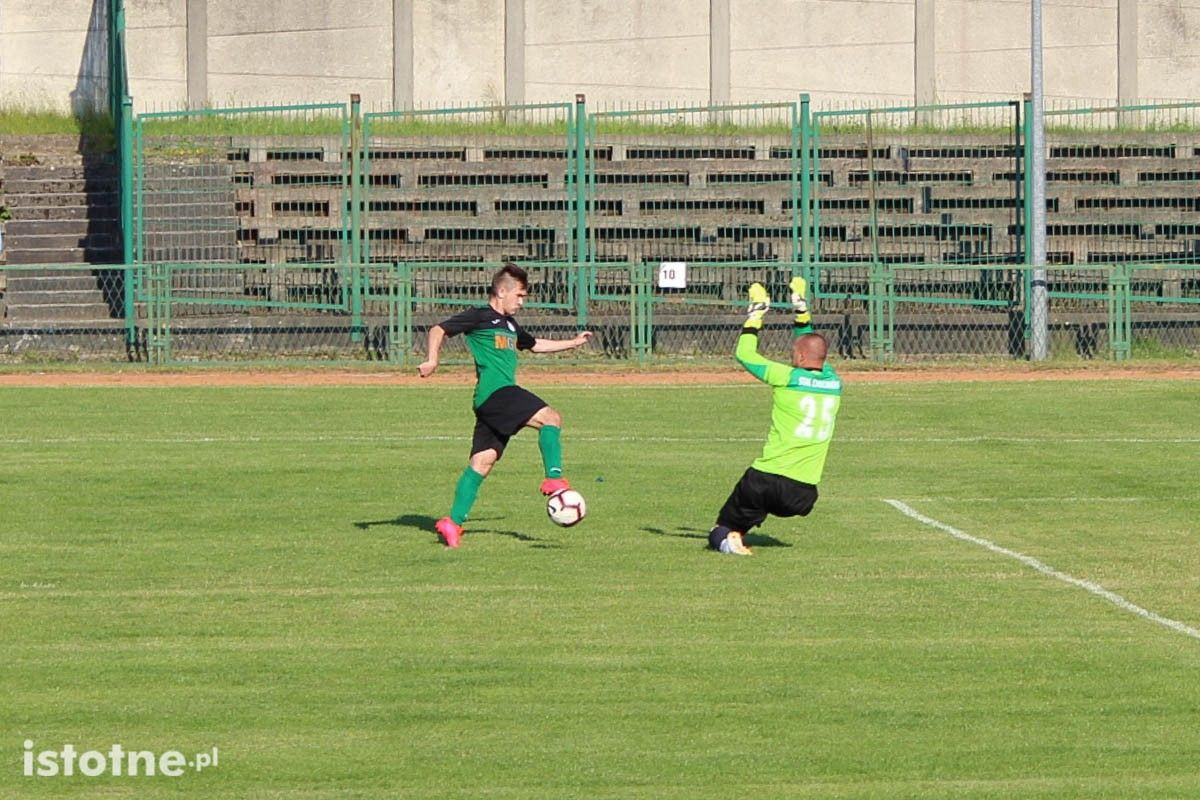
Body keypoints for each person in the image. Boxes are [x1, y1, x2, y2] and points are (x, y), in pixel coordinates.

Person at [418, 262, 593, 548]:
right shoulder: (479, 316)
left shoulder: (510, 325)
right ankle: (554, 479)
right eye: (520, 296)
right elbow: (438, 330)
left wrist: (572, 343)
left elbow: (534, 344)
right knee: (551, 418)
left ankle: (453, 523)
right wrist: (433, 359)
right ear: (502, 291)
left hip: (489, 401)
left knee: (482, 462)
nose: (521, 302)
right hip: (497, 393)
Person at [708, 276, 843, 556]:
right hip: (802, 494)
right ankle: (741, 530)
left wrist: (756, 314)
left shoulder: (786, 376)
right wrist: (801, 309)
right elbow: (809, 344)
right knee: (759, 509)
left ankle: (729, 540)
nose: (791, 356)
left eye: (793, 354)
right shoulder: (834, 383)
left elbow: (744, 354)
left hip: (764, 479)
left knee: (719, 530)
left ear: (801, 359)